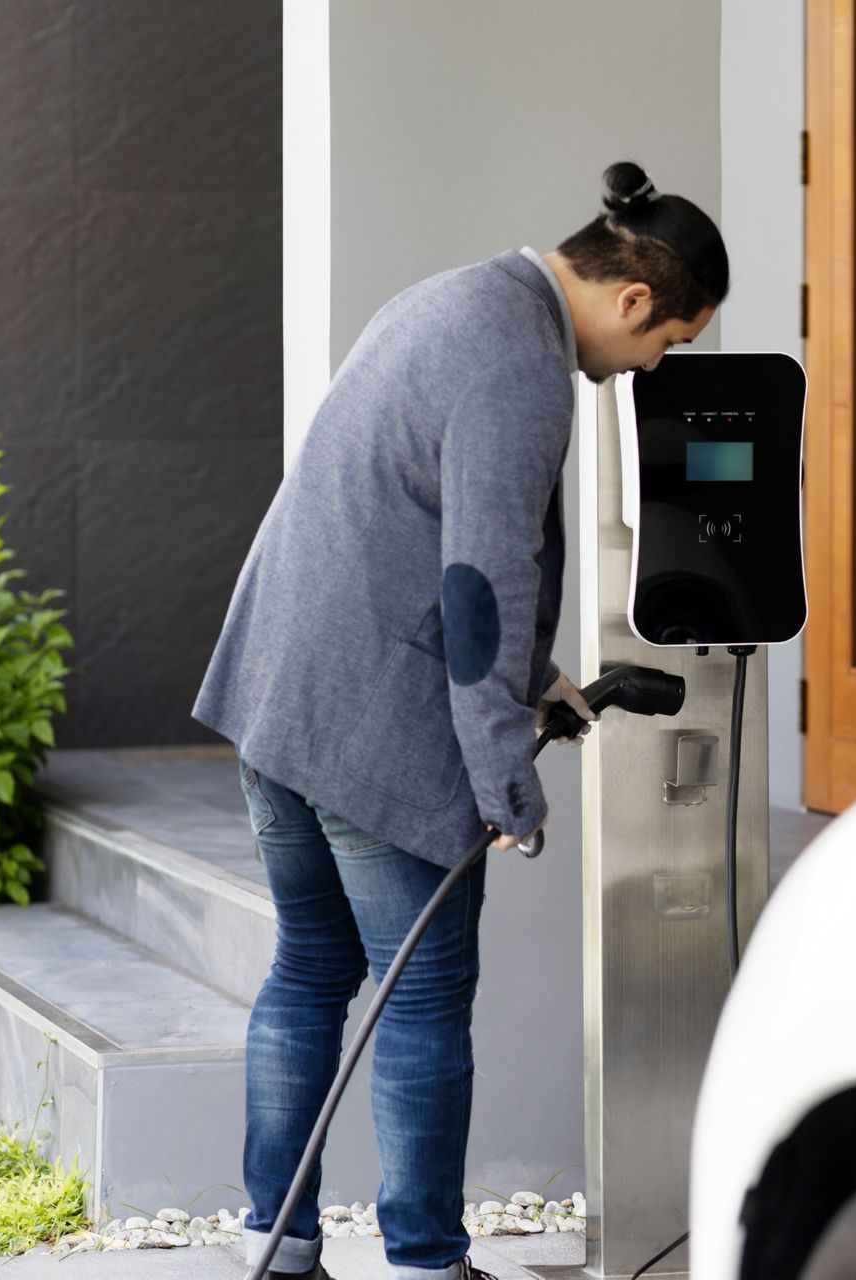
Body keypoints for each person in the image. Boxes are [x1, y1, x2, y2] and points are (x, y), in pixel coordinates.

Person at [191, 161, 729, 1280]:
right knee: (424, 999)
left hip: (281, 694)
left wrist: (537, 683)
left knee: (309, 970)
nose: (654, 368)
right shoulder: (522, 365)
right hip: (377, 727)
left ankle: (274, 1246)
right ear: (633, 298)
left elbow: (408, 519)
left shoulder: (448, 298)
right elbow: (482, 581)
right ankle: (428, 1264)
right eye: (669, 343)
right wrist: (504, 780)